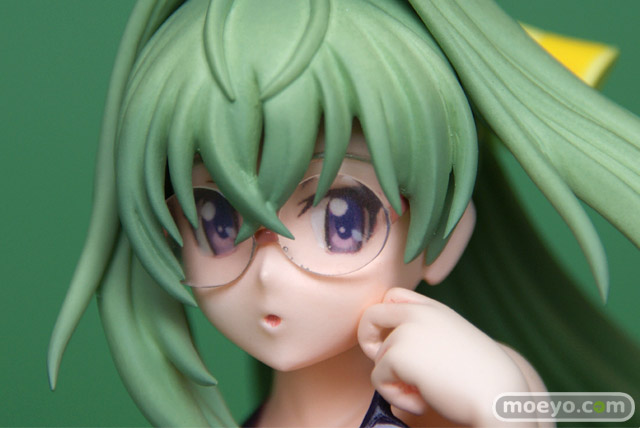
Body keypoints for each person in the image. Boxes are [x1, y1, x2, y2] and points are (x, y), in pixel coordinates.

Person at [49, 0, 640, 426]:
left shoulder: (458, 393)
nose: (268, 272)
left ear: (444, 240)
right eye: (217, 220)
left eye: (342, 221)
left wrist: (499, 405)